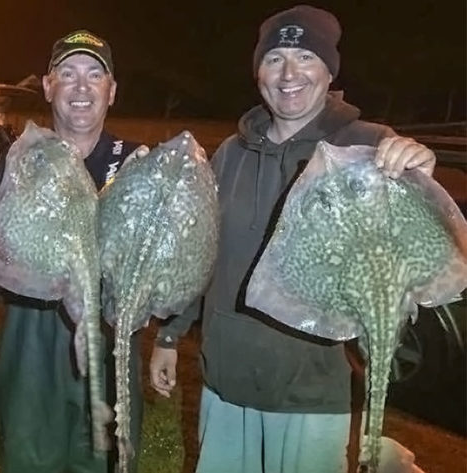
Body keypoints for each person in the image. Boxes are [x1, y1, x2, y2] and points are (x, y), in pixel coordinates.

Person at [149, 5, 433, 473]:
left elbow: (410, 251)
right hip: (227, 382)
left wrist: (418, 173)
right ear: (258, 70)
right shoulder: (229, 153)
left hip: (312, 394)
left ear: (329, 69)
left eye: (305, 56)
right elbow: (203, 253)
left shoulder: (368, 147)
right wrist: (170, 333)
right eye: (275, 57)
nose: (288, 73)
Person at [0, 30, 145, 473]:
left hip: (111, 345)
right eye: (68, 74)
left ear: (111, 91)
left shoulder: (135, 162)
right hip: (31, 347)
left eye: (95, 75)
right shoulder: (18, 161)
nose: (81, 87)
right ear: (47, 85)